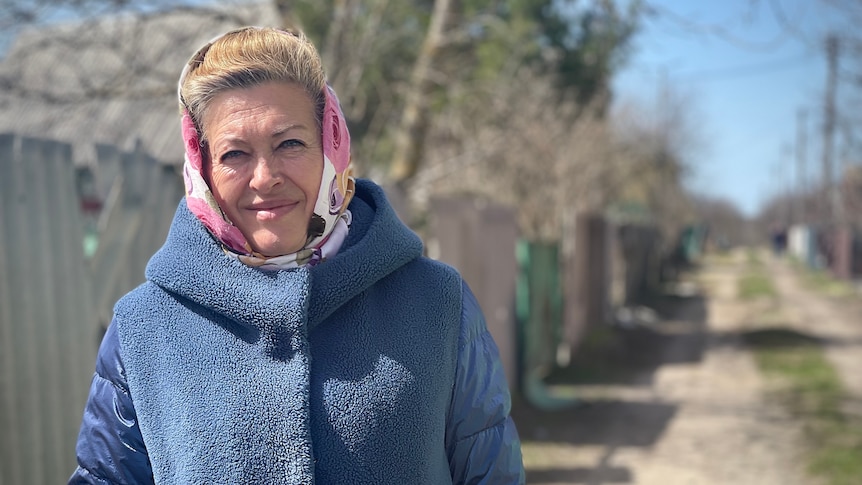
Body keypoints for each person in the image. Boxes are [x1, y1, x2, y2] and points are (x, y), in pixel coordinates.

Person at [69, 26, 524, 484]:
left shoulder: (437, 303)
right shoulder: (144, 327)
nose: (264, 177)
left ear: (331, 144)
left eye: (289, 143)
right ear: (202, 167)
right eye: (234, 154)